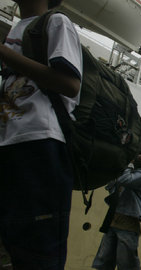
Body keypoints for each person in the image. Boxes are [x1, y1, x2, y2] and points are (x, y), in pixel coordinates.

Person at [0, 0, 82, 268]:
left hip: (41, 146)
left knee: (37, 254)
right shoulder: (17, 28)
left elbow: (70, 84)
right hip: (10, 143)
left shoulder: (57, 22)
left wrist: (4, 54)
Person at [92, 144, 141, 270]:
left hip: (128, 221)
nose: (136, 156)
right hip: (114, 217)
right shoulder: (131, 171)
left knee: (126, 262)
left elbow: (125, 179)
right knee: (104, 259)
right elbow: (112, 185)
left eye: (140, 154)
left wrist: (129, 163)